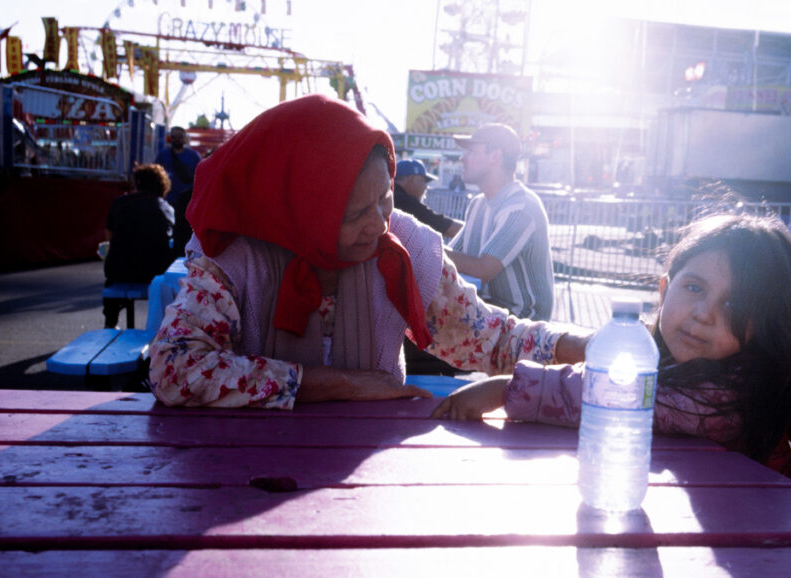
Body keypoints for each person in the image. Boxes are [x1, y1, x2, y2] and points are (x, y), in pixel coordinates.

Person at [148, 95, 589, 409]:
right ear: (299, 211)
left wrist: (586, 345)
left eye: (385, 199)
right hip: (239, 475)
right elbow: (175, 368)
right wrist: (340, 385)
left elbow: (491, 339)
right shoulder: (236, 259)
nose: (379, 224)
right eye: (355, 212)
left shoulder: (405, 248)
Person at [432, 214, 791, 487]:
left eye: (735, 306)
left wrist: (504, 389)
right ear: (663, 289)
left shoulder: (730, 392)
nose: (704, 314)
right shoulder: (761, 372)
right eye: (694, 288)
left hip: (752, 542)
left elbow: (616, 396)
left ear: (766, 326)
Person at [446, 123, 554, 321]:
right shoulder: (478, 204)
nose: (462, 158)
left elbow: (483, 270)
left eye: (471, 151)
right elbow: (450, 258)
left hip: (522, 324)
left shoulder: (521, 206)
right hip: (489, 313)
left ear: (495, 156)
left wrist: (424, 247)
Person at [102, 163, 176, 328]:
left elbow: (109, 236)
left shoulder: (120, 203)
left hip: (120, 270)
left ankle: (110, 322)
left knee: (112, 270)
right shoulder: (167, 209)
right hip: (154, 271)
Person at [155, 126, 201, 255]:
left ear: (184, 138)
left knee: (183, 232)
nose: (176, 139)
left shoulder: (193, 156)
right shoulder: (163, 155)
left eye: (179, 137)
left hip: (186, 203)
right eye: (173, 137)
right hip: (167, 200)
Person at [394, 158, 463, 238]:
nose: (426, 187)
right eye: (424, 181)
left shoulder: (391, 194)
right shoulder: (405, 201)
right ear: (411, 179)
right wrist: (476, 228)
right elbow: (448, 228)